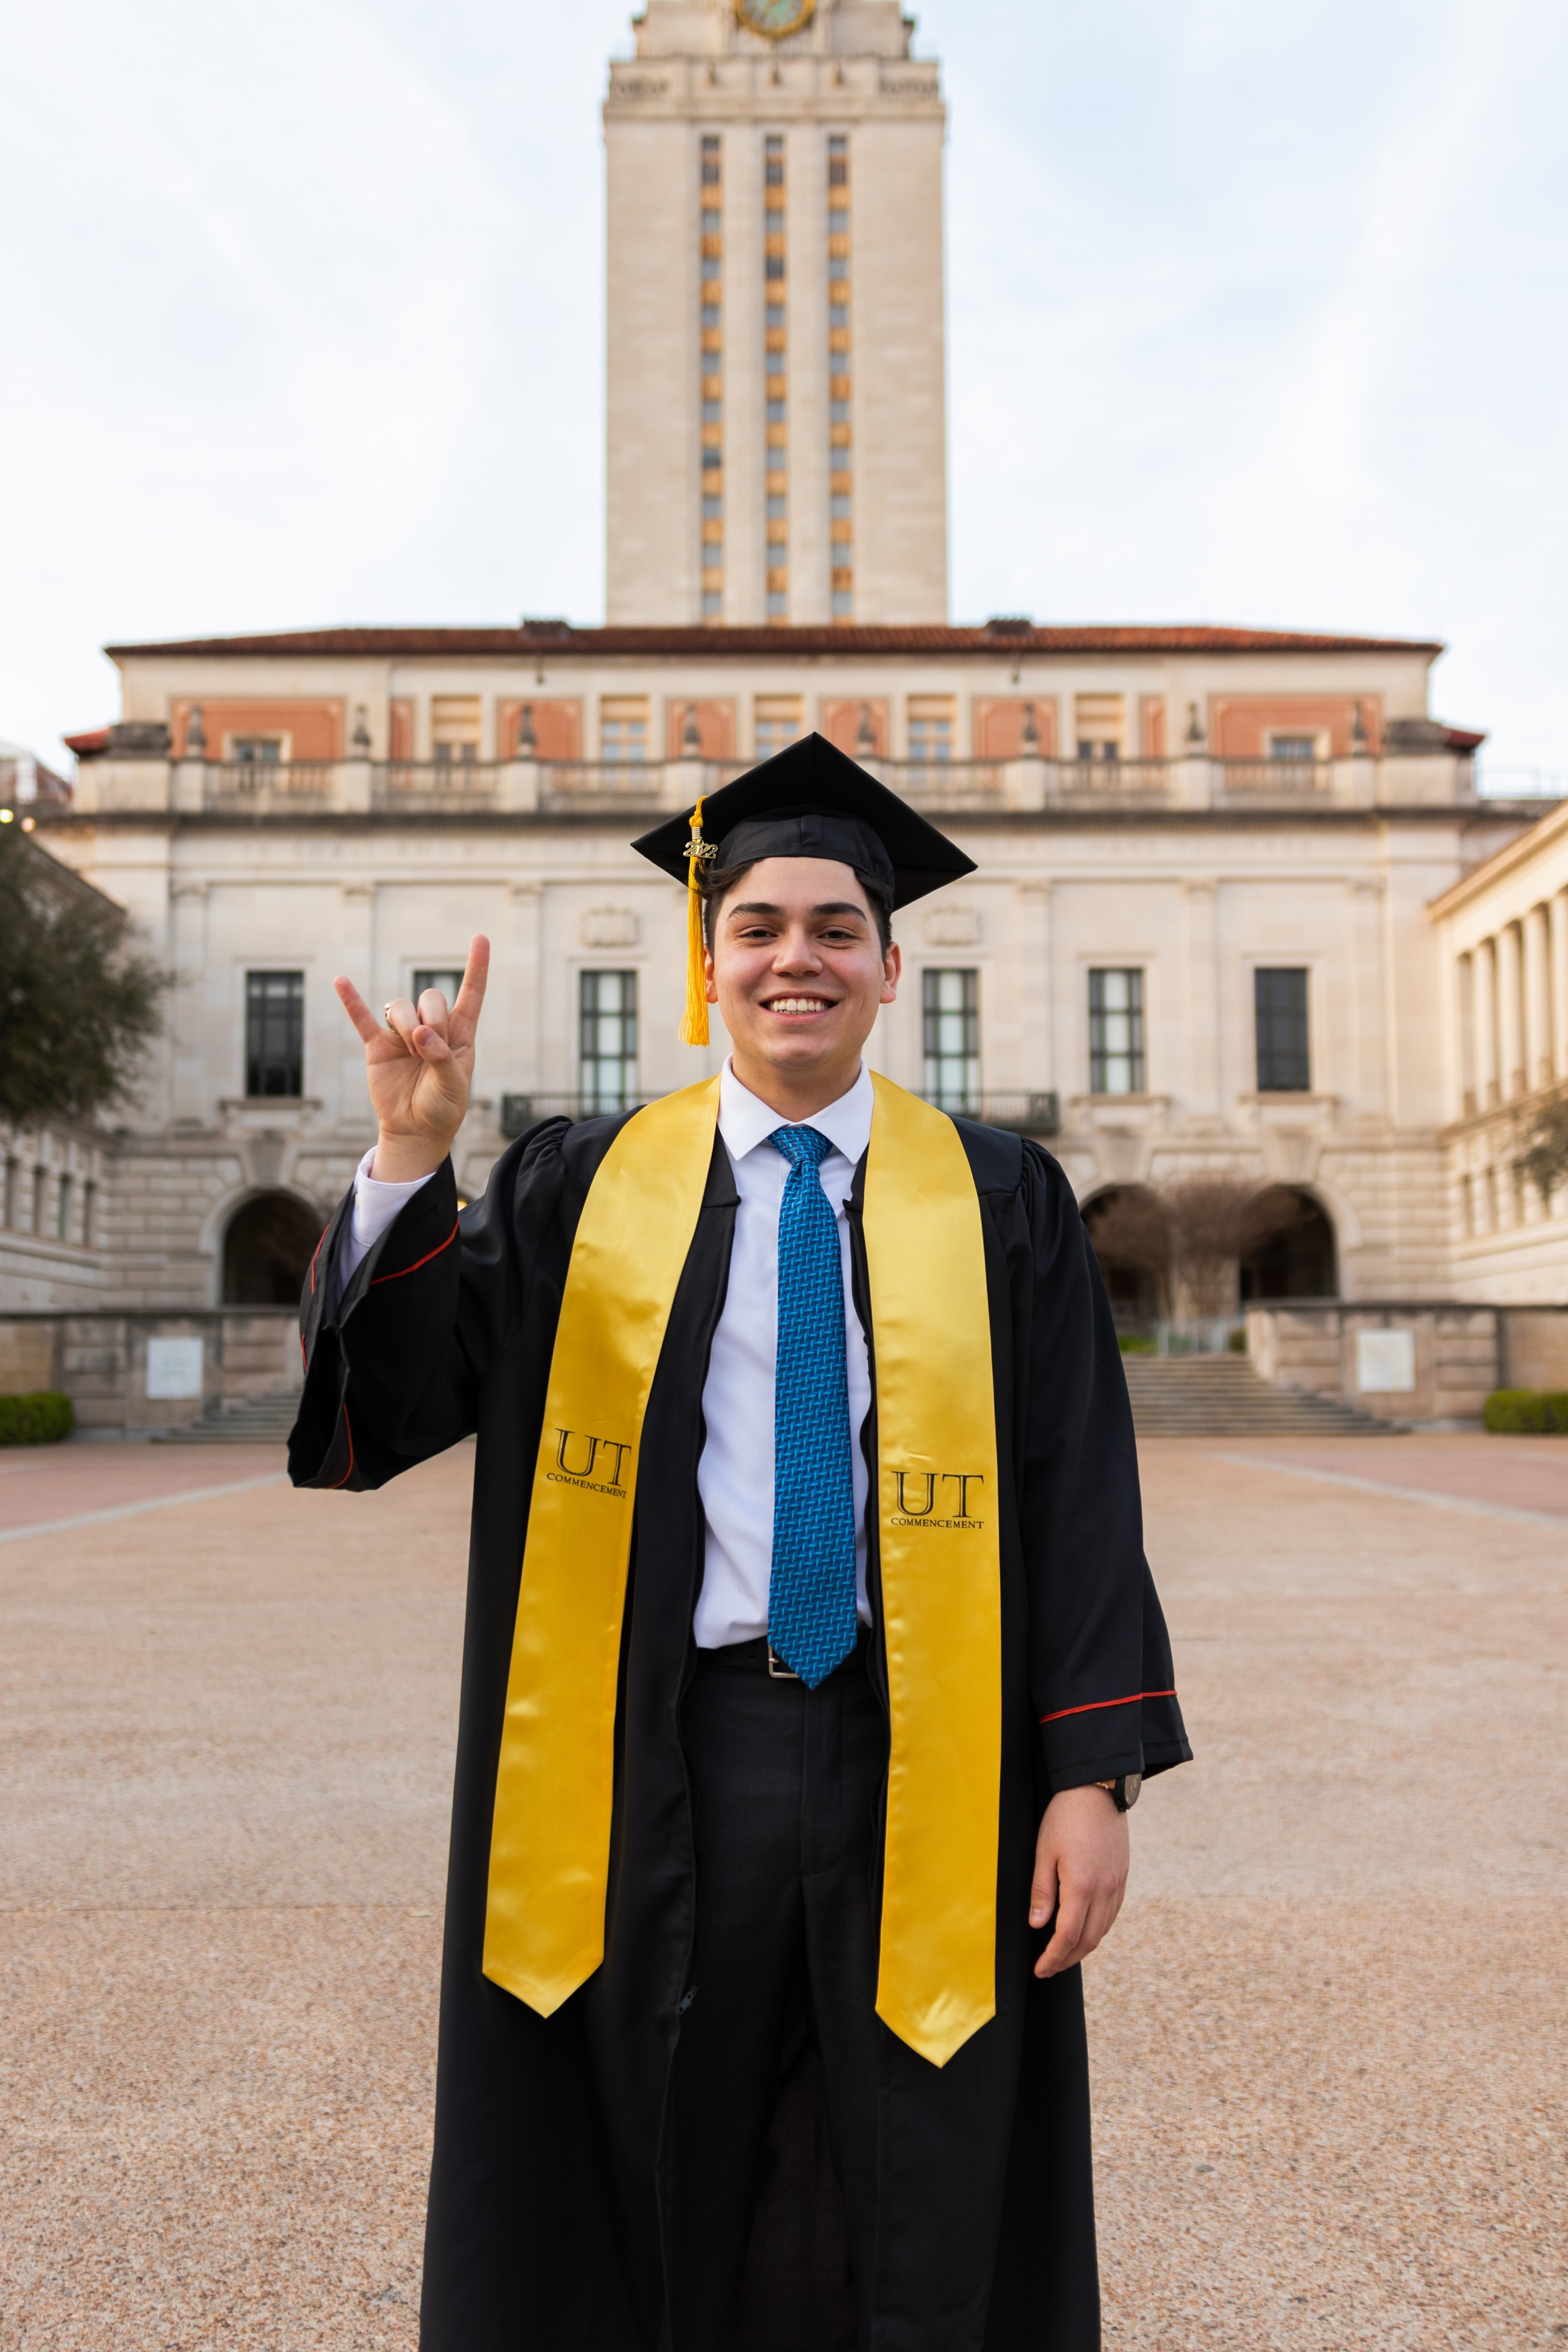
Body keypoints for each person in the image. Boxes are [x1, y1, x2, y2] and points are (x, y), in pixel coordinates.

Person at [288, 735, 1189, 2352]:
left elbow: (1079, 1494)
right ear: (708, 969)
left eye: (836, 928)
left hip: (927, 1749)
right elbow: (391, 1415)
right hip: (654, 1752)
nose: (799, 958)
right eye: (761, 927)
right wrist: (414, 1160)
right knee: (652, 2136)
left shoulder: (1000, 1201)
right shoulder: (584, 1189)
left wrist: (1089, 1776)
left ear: (892, 965)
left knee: (913, 2151)